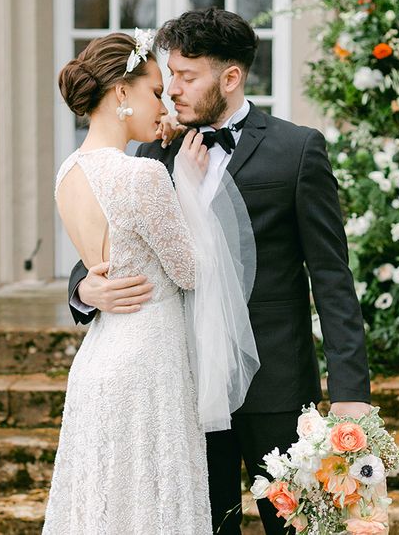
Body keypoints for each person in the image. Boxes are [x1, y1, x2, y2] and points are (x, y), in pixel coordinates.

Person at [69, 8, 372, 534]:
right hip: (177, 387)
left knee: (296, 528)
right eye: (169, 78)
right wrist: (84, 287)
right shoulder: (150, 154)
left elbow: (332, 279)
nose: (172, 93)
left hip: (274, 389)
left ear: (230, 78)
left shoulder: (296, 151)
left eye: (187, 78)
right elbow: (115, 248)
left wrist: (350, 392)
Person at [45, 30, 257, 534]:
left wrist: (85, 290)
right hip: (149, 366)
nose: (165, 105)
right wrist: (183, 181)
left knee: (105, 509)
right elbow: (188, 271)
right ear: (122, 93)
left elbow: (110, 259)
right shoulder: (142, 176)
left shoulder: (68, 172)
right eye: (155, 91)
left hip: (100, 357)